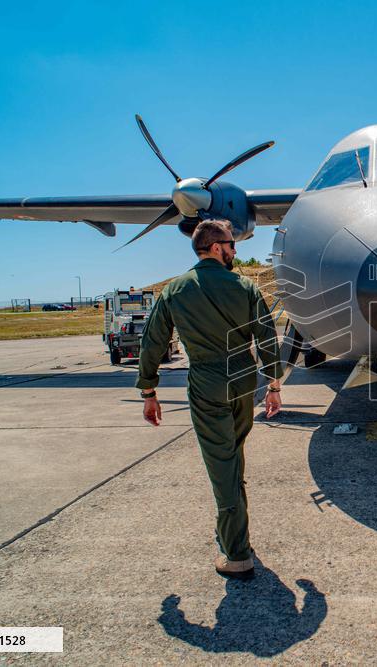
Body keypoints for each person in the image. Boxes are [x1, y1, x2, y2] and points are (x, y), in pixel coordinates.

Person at [136, 220, 283, 580]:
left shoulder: (174, 291)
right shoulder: (245, 287)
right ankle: (235, 533)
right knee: (232, 458)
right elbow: (266, 338)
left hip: (207, 383)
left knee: (222, 467)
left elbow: (153, 343)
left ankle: (237, 555)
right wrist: (274, 386)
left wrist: (149, 391)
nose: (235, 250)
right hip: (243, 381)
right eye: (232, 244)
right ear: (216, 247)